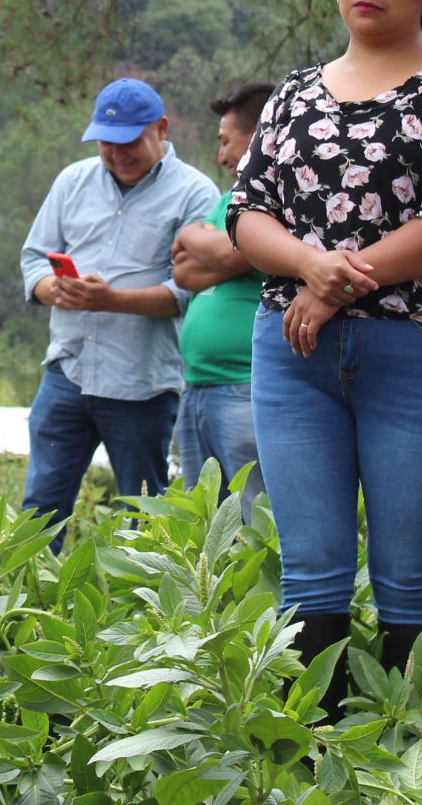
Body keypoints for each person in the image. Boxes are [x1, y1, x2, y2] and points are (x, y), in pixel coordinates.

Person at [229, 0, 422, 712]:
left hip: (414, 356)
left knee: (409, 579)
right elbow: (247, 213)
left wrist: (343, 280)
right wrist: (314, 271)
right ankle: (309, 769)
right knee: (310, 572)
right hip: (295, 355)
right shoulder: (293, 96)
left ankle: (405, 767)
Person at [17, 78, 218, 549]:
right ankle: (26, 609)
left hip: (140, 384)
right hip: (66, 370)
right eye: (106, 142)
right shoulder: (72, 181)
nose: (116, 153)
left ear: (161, 129)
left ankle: (140, 613)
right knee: (40, 511)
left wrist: (112, 301)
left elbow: (190, 291)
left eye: (128, 141)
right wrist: (54, 289)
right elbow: (33, 260)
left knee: (143, 517)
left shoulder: (195, 193)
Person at [171, 81, 275, 518]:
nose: (222, 156)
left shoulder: (274, 199)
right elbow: (183, 271)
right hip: (197, 388)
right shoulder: (229, 200)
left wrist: (193, 236)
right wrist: (205, 243)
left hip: (242, 388)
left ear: (255, 137)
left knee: (251, 516)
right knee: (202, 522)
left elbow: (229, 253)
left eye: (226, 142)